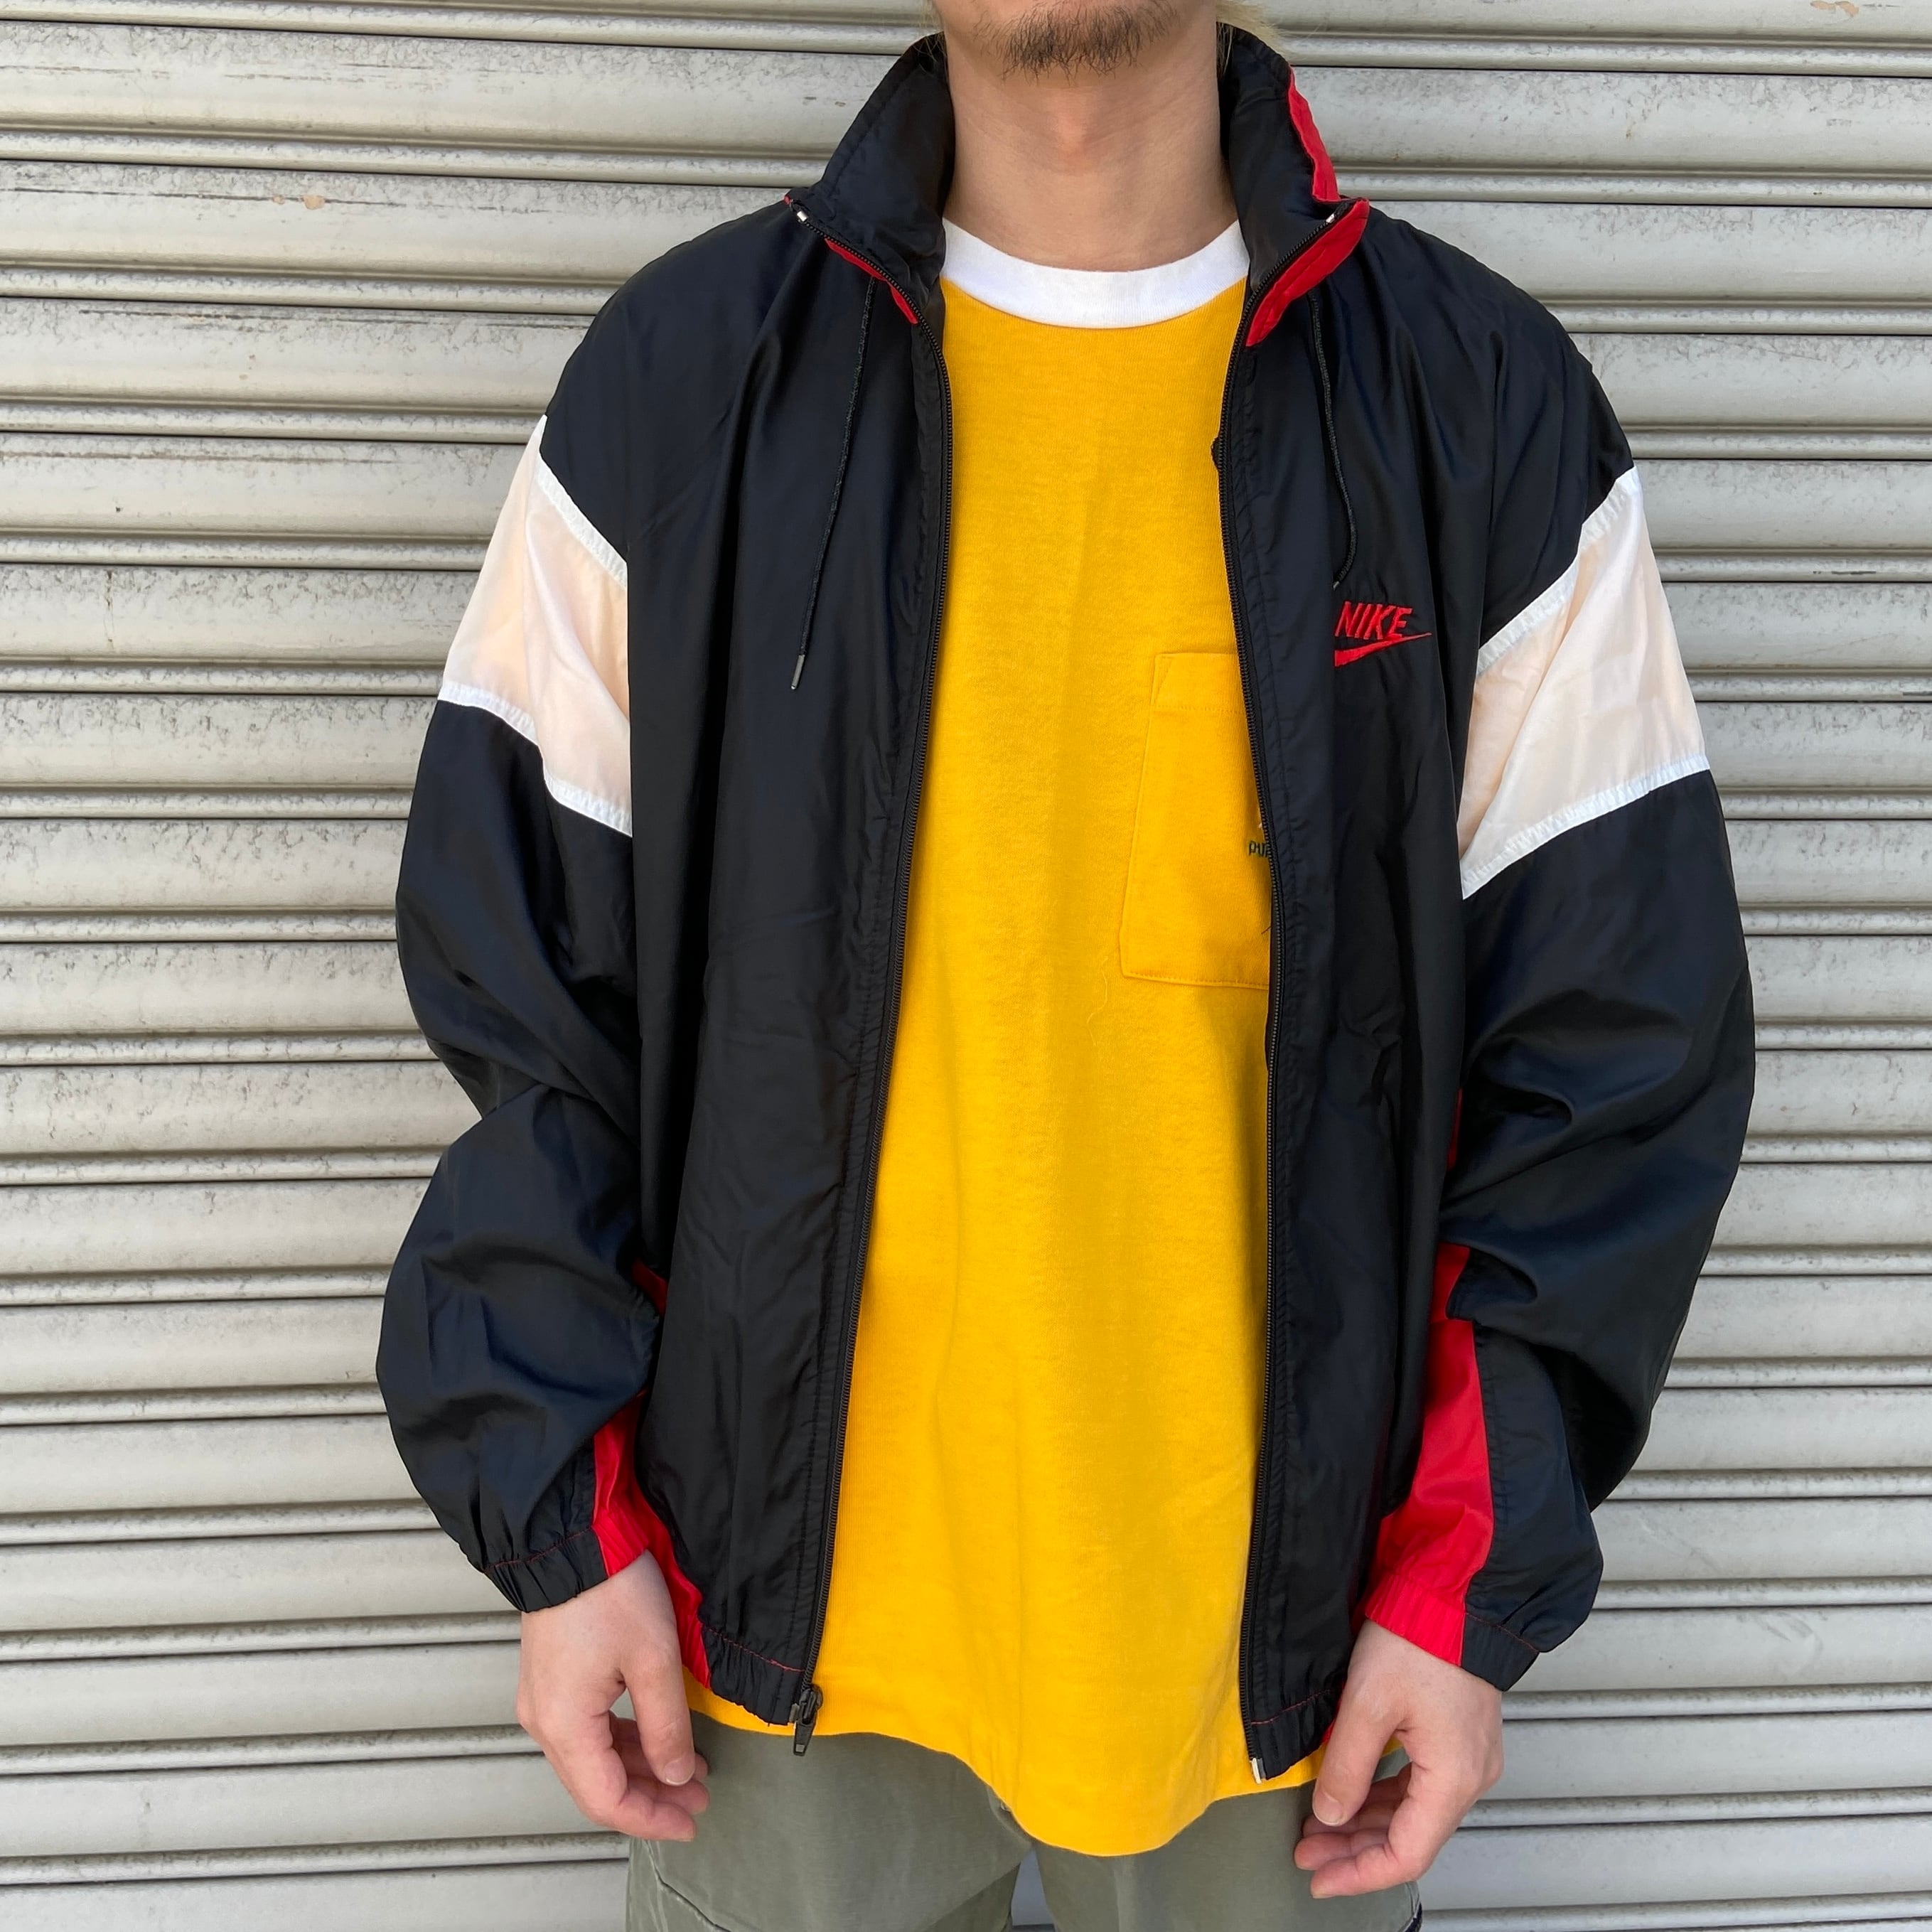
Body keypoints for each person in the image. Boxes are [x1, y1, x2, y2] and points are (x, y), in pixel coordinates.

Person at [377, 1, 1754, 1925]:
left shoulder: (1478, 414)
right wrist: (560, 1514)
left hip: (1279, 1680)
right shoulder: (684, 391)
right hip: (758, 1646)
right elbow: (532, 1007)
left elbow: (1612, 1055)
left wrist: (1465, 1583)